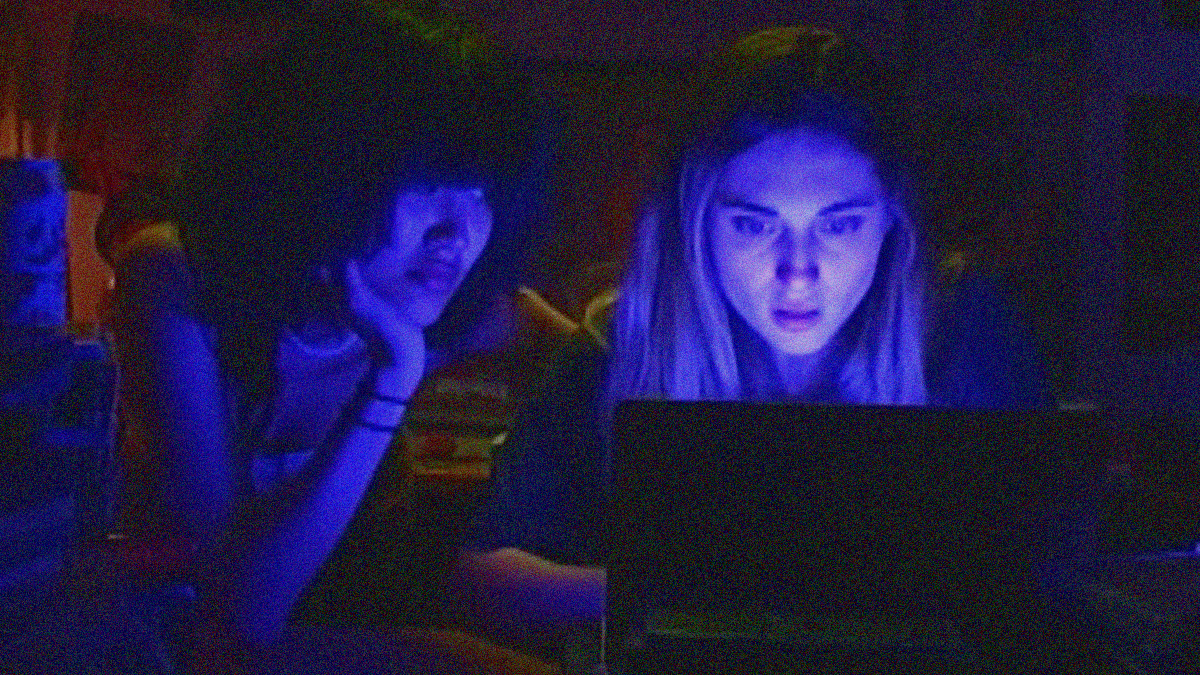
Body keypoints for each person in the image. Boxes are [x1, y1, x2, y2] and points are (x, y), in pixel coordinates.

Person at [454, 26, 1062, 666]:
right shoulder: (626, 344)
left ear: (891, 217)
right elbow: (484, 573)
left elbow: (1043, 578)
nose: (797, 270)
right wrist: (679, 595)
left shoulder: (963, 328)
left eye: (839, 224)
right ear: (697, 222)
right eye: (753, 224)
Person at [104, 4, 547, 672]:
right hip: (177, 643)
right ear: (328, 167)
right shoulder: (177, 277)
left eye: (482, 192)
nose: (458, 233)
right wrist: (392, 378)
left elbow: (605, 365)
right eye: (428, 180)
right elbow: (237, 615)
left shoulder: (463, 310)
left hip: (343, 626)